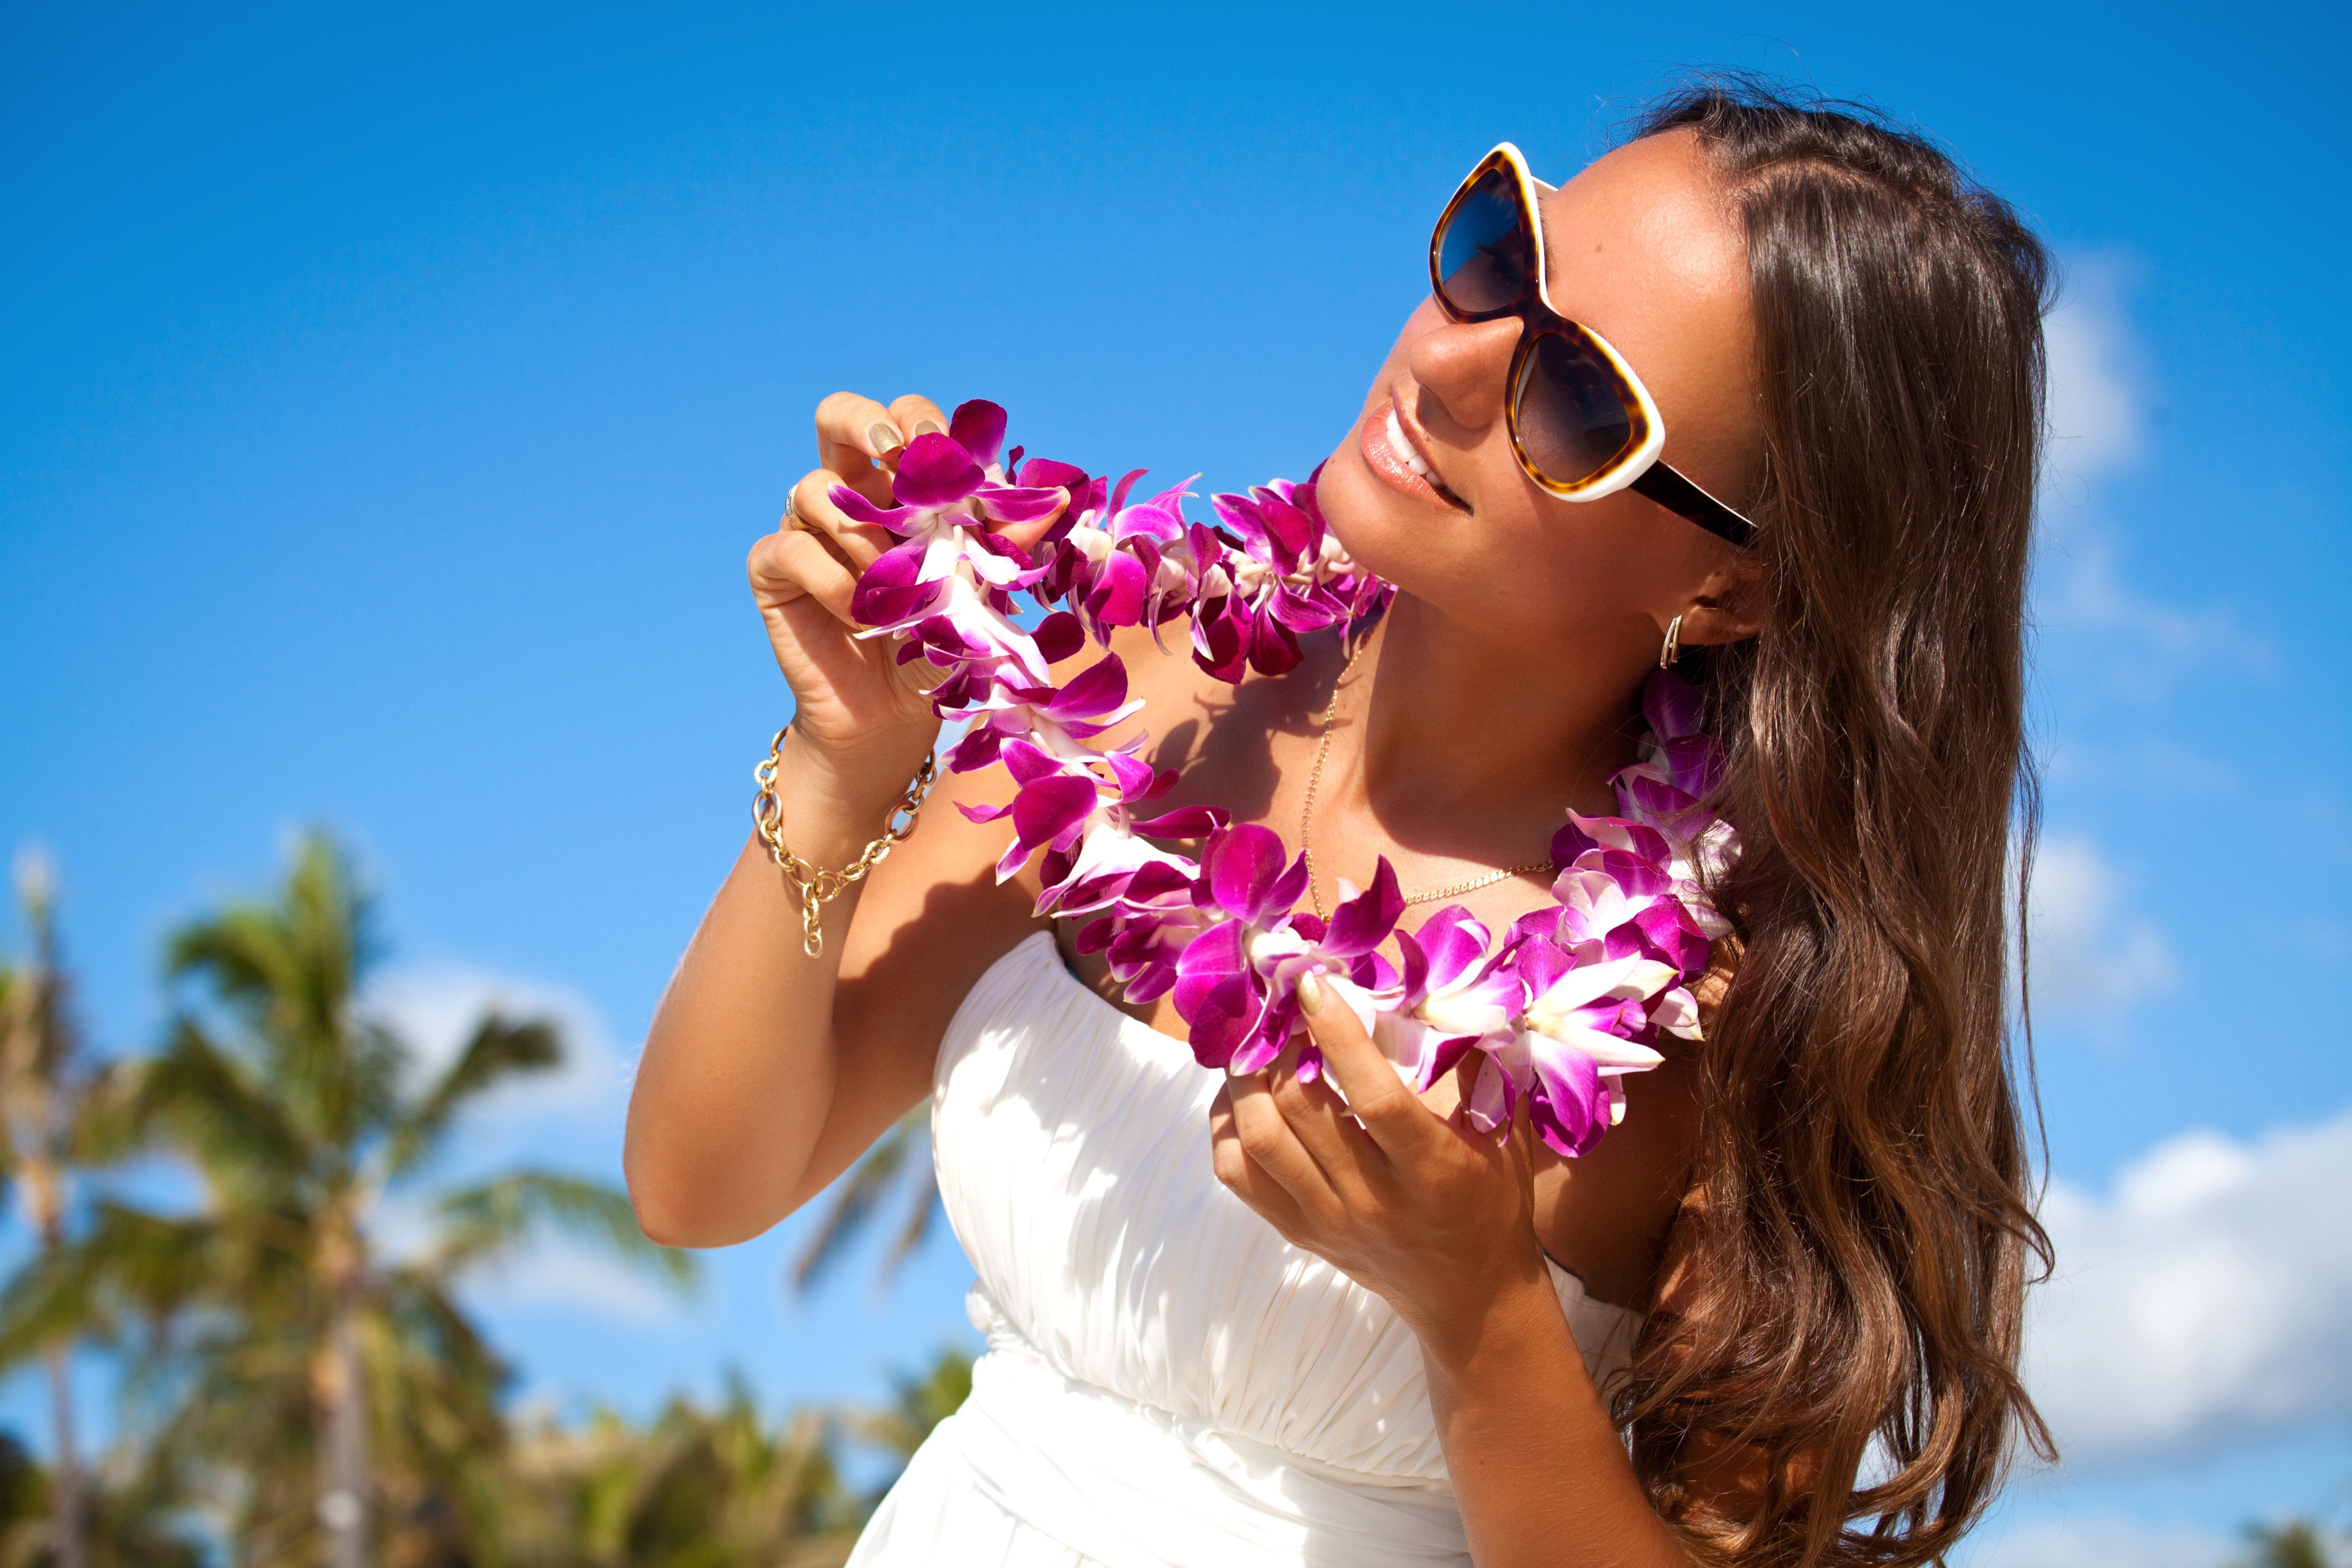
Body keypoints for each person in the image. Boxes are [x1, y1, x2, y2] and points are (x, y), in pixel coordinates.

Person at [624, 79, 2055, 1568]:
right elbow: (701, 1182)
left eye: (1576, 399)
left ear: (1729, 588)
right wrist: (842, 764)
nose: (1445, 361)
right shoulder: (1130, 695)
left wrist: (1483, 1317)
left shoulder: (1732, 1002)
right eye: (1503, 253)